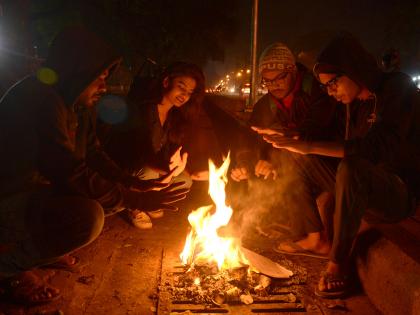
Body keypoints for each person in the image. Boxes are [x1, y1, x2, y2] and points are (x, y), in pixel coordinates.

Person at [0, 27, 188, 305]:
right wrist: (136, 197)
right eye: (98, 78)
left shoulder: (75, 102)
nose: (104, 87)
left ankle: (46, 251)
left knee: (112, 197)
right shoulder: (41, 99)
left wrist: (132, 183)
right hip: (10, 198)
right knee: (89, 217)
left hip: (40, 191)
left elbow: (93, 153)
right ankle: (10, 267)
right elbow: (67, 169)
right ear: (77, 71)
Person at [254, 32, 419, 298]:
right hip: (362, 184)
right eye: (326, 87)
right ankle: (313, 237)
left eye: (332, 84)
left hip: (399, 192)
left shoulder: (396, 88)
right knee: (293, 155)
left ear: (353, 71)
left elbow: (372, 150)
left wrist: (307, 144)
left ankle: (337, 264)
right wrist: (293, 143)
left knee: (351, 168)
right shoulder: (352, 106)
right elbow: (344, 150)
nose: (331, 93)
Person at [229, 42, 337, 251]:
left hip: (327, 162)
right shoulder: (264, 105)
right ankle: (305, 235)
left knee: (289, 157)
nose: (274, 85)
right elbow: (249, 141)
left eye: (280, 78)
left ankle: (315, 238)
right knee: (270, 170)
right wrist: (248, 164)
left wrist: (281, 147)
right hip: (296, 164)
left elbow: (315, 129)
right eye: (267, 81)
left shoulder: (317, 91)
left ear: (293, 71)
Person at [98, 62, 205, 229]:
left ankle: (149, 199)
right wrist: (170, 170)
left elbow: (173, 152)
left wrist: (187, 169)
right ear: (166, 82)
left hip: (154, 166)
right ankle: (133, 205)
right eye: (181, 86)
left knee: (185, 180)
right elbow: (142, 154)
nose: (184, 95)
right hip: (129, 168)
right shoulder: (143, 110)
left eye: (189, 92)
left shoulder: (175, 116)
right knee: (150, 172)